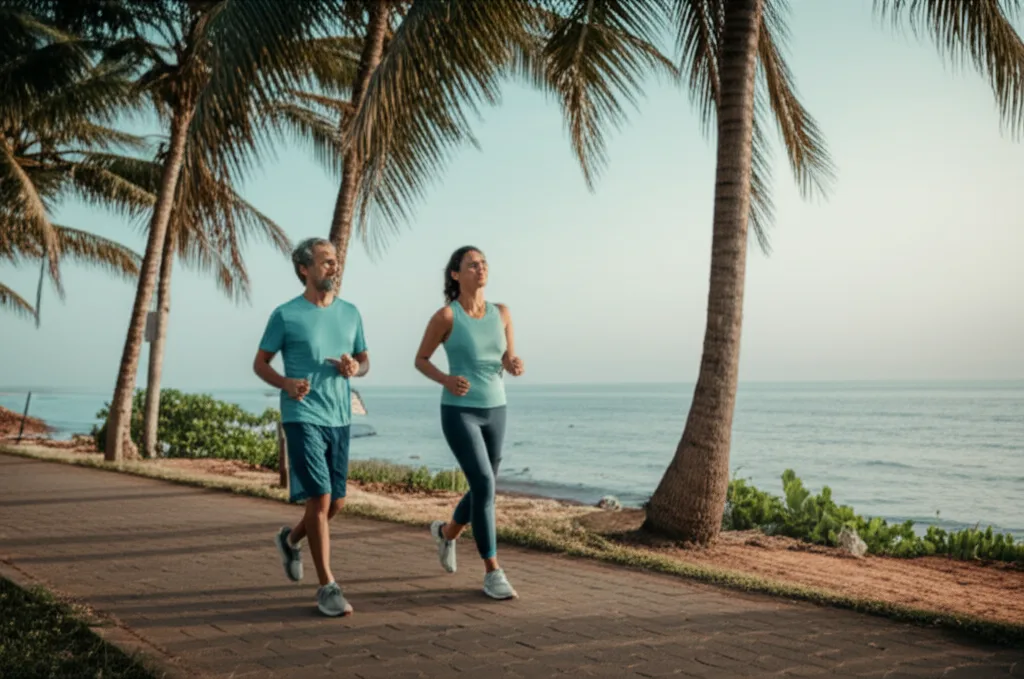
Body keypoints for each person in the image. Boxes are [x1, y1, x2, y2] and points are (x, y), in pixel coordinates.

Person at [253, 237, 369, 617]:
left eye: (335, 261)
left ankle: (290, 540)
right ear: (304, 269)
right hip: (301, 414)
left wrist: (355, 368)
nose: (333, 267)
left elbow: (365, 360)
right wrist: (285, 383)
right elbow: (261, 363)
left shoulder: (351, 312)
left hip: (339, 415)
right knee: (318, 497)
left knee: (336, 501)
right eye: (325, 261)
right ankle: (327, 587)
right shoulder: (285, 315)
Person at [414, 246, 525, 600]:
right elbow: (421, 359)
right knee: (483, 484)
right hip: (460, 411)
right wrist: (446, 380)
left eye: (484, 263)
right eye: (472, 264)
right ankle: (493, 571)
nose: (480, 268)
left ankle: (446, 533)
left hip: (497, 409)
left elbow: (506, 357)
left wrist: (513, 364)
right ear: (456, 275)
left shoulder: (502, 313)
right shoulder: (446, 317)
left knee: (484, 486)